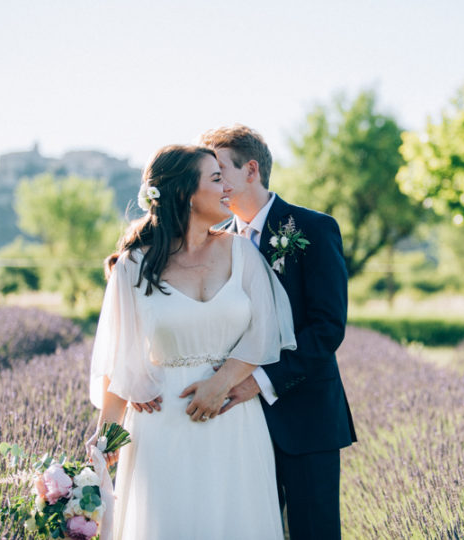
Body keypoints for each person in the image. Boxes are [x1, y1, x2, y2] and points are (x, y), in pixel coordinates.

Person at [86, 144, 296, 539]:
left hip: (234, 418)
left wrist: (221, 383)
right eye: (215, 179)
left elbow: (264, 332)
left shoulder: (243, 253)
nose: (226, 188)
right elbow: (121, 360)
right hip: (162, 424)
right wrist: (107, 435)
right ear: (184, 193)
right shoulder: (133, 267)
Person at [201, 125, 357, 539]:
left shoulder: (313, 228)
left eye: (219, 173)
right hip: (238, 420)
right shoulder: (215, 244)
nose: (214, 185)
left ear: (251, 170)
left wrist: (259, 381)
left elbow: (326, 328)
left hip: (306, 416)